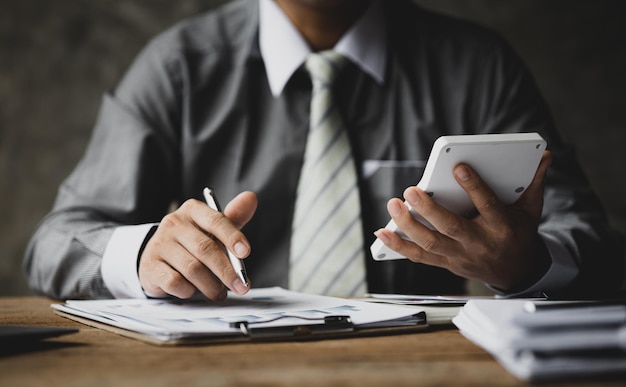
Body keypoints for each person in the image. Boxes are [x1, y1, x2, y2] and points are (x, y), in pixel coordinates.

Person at [23, 0, 624, 301]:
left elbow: (590, 240)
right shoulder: (179, 68)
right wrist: (146, 253)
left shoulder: (477, 67)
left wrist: (527, 265)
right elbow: (55, 241)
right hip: (220, 386)